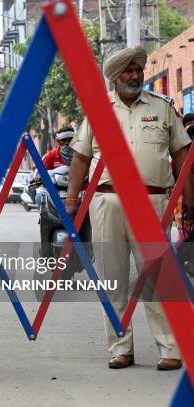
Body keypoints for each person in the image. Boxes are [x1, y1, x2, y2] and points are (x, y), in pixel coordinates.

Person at [66, 46, 192, 371]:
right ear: (115, 77)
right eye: (128, 71)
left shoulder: (163, 108)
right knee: (113, 278)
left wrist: (190, 200)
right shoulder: (97, 111)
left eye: (138, 70)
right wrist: (71, 201)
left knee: (158, 278)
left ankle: (170, 349)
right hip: (106, 202)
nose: (135, 76)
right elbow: (81, 157)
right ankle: (120, 348)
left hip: (152, 203)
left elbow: (181, 155)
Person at [172, 113, 194, 245]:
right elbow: (174, 171)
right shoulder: (181, 150)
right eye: (189, 123)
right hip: (184, 199)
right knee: (185, 235)